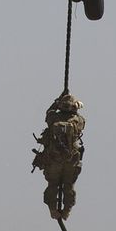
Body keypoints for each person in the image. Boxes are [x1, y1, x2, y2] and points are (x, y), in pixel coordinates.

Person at [32, 90, 85, 219]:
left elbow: (48, 113)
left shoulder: (54, 118)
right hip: (71, 160)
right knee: (68, 186)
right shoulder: (79, 120)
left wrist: (56, 102)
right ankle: (66, 210)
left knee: (52, 185)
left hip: (54, 160)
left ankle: (53, 210)